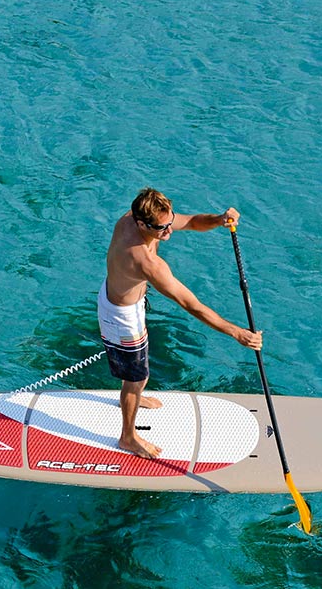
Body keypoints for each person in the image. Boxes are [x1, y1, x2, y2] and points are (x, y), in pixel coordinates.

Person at [101, 187, 266, 459]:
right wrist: (237, 333)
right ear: (141, 223)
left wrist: (219, 219)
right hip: (121, 316)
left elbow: (189, 222)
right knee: (137, 376)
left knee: (138, 376)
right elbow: (192, 306)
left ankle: (135, 396)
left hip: (128, 298)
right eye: (161, 229)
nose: (168, 232)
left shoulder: (141, 216)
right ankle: (128, 437)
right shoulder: (147, 263)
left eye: (168, 224)